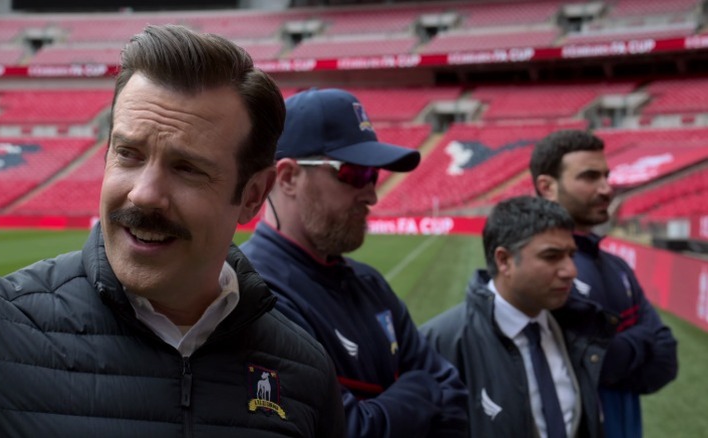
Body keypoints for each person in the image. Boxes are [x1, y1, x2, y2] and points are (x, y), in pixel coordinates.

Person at [0, 25, 346, 437]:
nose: (145, 196)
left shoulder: (304, 374)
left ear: (253, 195)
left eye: (187, 168)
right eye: (128, 154)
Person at [240, 87, 469, 438]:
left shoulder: (371, 284)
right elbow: (349, 431)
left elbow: (457, 404)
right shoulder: (256, 295)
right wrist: (422, 388)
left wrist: (384, 409)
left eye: (373, 176)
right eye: (355, 174)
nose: (372, 194)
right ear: (287, 178)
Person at [421, 195, 617, 438]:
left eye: (571, 255)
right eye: (551, 256)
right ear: (504, 261)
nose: (571, 271)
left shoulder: (579, 326)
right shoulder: (439, 342)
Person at [529, 129, 678, 438]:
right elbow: (589, 364)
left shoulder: (617, 266)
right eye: (589, 177)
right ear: (547, 187)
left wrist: (615, 354)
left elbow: (666, 357)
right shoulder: (536, 272)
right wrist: (637, 343)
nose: (606, 189)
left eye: (606, 176)